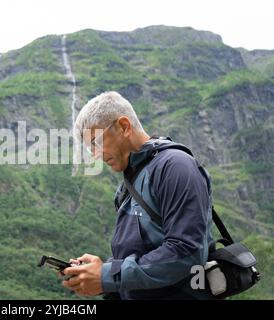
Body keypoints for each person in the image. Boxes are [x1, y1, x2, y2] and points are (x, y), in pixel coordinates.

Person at [62, 91, 215, 299]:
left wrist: (107, 276)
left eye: (96, 143)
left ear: (124, 127)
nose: (95, 155)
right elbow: (140, 257)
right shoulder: (128, 184)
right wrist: (100, 274)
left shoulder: (175, 166)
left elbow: (187, 252)